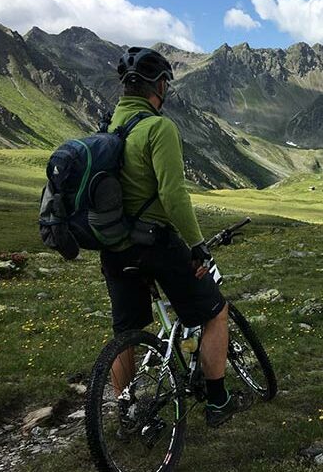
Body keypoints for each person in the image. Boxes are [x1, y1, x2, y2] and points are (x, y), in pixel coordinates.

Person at [100, 46, 249, 428]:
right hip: (155, 244)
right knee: (215, 313)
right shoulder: (158, 128)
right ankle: (218, 402)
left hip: (114, 247)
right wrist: (198, 246)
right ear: (158, 85)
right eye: (165, 82)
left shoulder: (107, 130)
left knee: (128, 332)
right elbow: (173, 196)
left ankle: (129, 412)